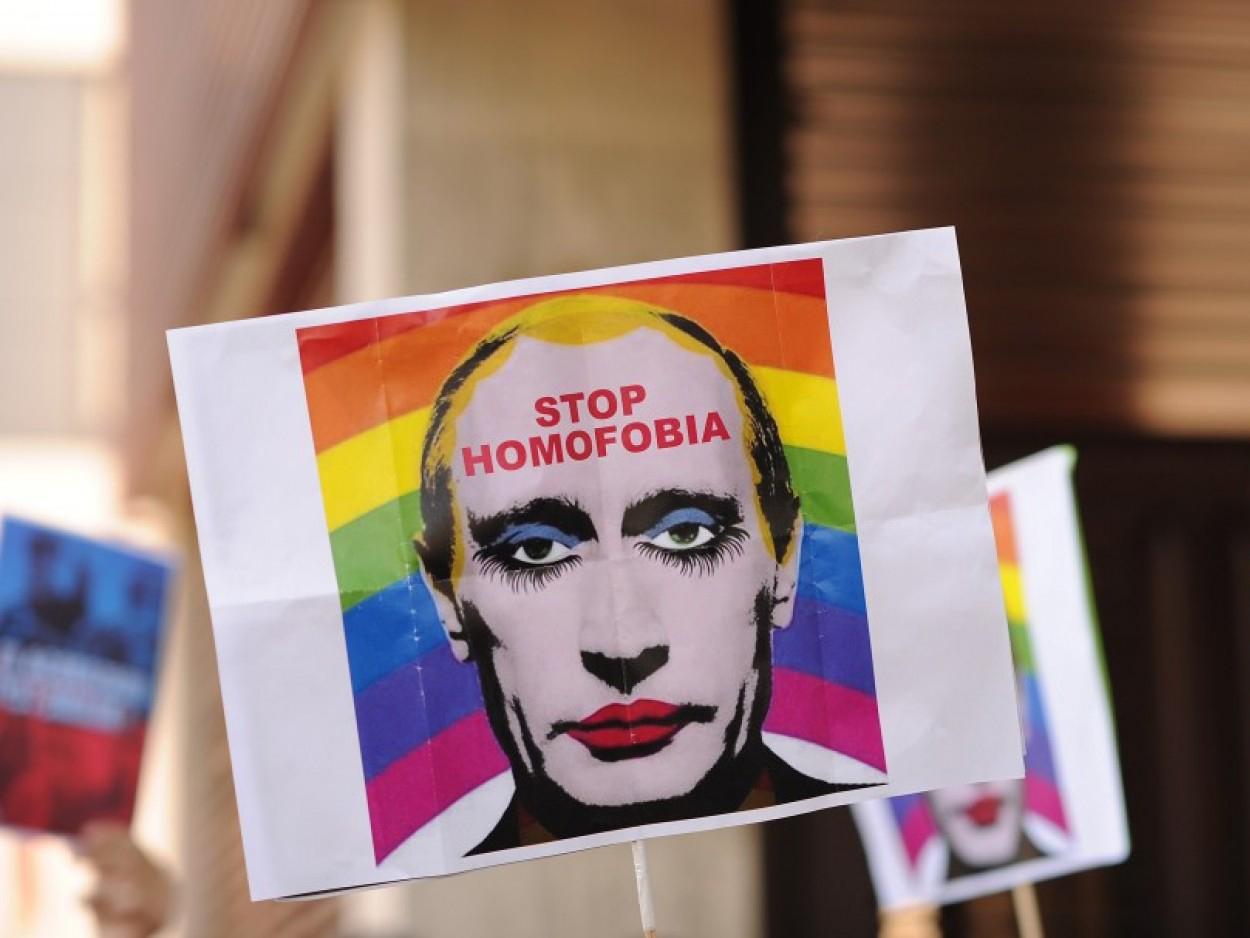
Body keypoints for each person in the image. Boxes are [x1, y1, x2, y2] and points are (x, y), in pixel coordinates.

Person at [413, 295, 869, 852]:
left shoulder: (891, 849)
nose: (621, 642)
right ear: (448, 600)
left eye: (685, 536)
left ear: (784, 560)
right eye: (535, 551)